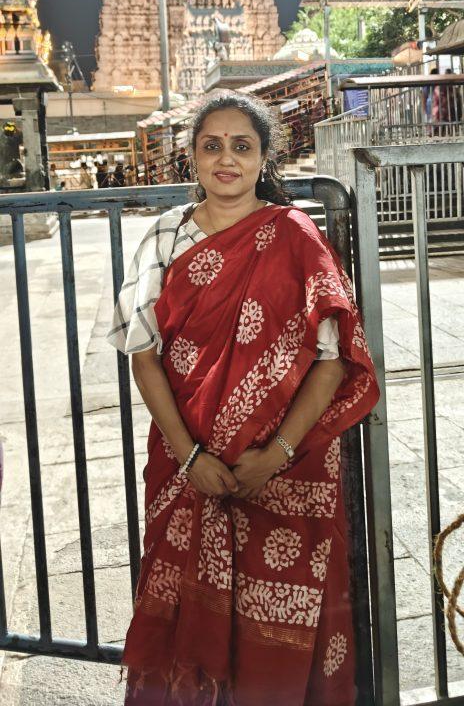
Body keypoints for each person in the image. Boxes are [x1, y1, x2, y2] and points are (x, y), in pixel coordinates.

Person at [107, 90, 379, 706]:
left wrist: (274, 454)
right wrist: (190, 457)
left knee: (282, 624)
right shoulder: (164, 237)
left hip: (287, 465)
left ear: (263, 158)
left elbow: (332, 360)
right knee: (185, 615)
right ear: (193, 158)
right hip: (187, 462)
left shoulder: (295, 236)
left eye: (242, 146)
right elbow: (143, 354)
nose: (226, 159)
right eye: (212, 146)